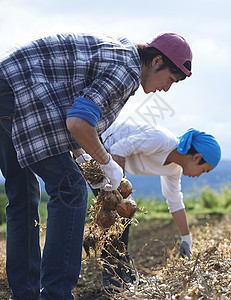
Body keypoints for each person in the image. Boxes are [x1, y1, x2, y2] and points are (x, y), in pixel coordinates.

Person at [0, 31, 192, 299]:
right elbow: (78, 122)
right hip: (22, 89)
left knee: (22, 194)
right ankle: (56, 295)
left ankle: (24, 295)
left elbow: (68, 110)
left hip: (9, 81)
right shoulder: (126, 70)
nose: (166, 89)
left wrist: (84, 158)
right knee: (70, 189)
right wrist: (107, 163)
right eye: (170, 79)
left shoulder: (120, 55)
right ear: (156, 60)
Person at [76, 121, 221, 291]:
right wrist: (119, 191)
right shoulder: (161, 140)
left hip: (109, 159)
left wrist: (186, 240)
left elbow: (174, 201)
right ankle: (113, 278)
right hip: (94, 145)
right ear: (196, 157)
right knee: (118, 213)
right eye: (204, 170)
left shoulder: (174, 169)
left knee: (123, 213)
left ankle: (124, 275)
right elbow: (117, 149)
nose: (200, 175)